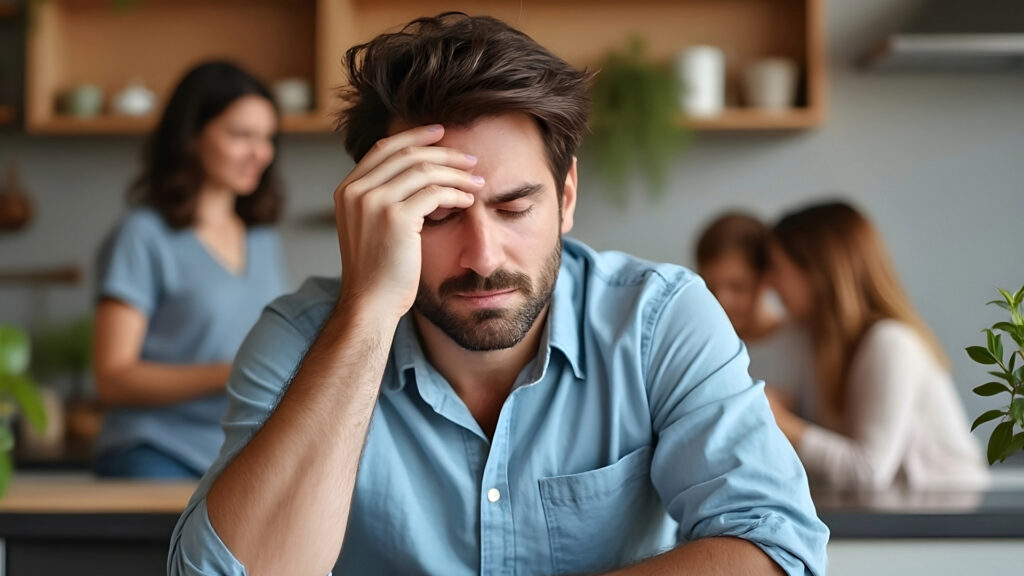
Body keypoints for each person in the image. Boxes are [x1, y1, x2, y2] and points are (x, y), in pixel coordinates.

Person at [169, 13, 828, 576]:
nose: (483, 257)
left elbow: (777, 549)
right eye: (436, 215)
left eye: (514, 208)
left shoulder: (659, 320)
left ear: (566, 198)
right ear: (378, 215)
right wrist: (366, 310)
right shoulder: (299, 337)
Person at [91, 61, 289, 479]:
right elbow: (113, 377)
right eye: (241, 135)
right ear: (191, 136)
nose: (261, 153)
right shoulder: (143, 235)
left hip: (240, 455)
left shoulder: (261, 238)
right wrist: (235, 371)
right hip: (156, 450)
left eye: (267, 138)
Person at [765, 201, 989, 491]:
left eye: (777, 268)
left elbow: (868, 471)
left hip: (948, 513)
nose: (770, 283)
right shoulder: (822, 346)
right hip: (905, 510)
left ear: (818, 272)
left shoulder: (891, 343)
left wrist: (781, 421)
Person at [696, 212, 814, 414]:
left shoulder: (803, 344)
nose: (722, 301)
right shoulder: (703, 345)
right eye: (710, 286)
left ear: (767, 279)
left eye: (738, 286)